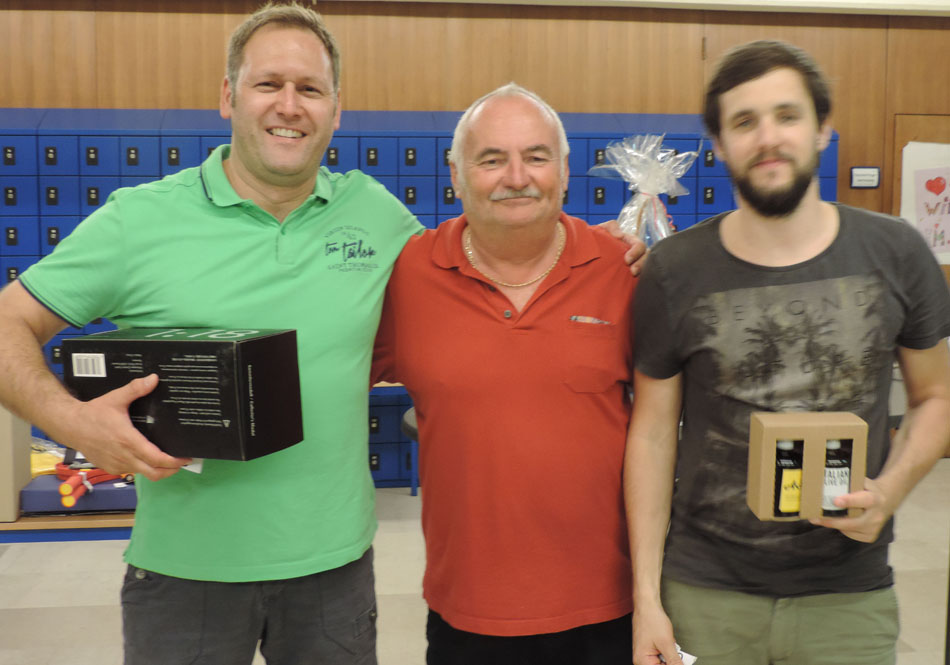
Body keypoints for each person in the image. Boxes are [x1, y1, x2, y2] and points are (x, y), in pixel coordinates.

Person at [0, 3, 421, 663]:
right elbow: (8, 320)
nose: (289, 106)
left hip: (334, 574)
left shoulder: (376, 215)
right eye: (267, 84)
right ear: (228, 96)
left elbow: (468, 287)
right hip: (183, 578)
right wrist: (71, 421)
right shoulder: (139, 222)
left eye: (310, 89)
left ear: (337, 109)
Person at [625, 39, 950, 665]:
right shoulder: (674, 270)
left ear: (823, 129)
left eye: (787, 115)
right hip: (706, 593)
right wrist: (646, 598)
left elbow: (936, 397)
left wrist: (889, 492)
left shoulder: (896, 252)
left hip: (848, 596)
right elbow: (653, 434)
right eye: (745, 121)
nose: (768, 138)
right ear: (720, 144)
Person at [372, 83, 637, 665]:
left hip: (608, 609)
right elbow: (321, 373)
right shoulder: (407, 274)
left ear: (564, 171)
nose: (516, 177)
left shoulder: (623, 270)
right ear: (455, 174)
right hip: (466, 612)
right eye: (491, 159)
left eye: (536, 157)